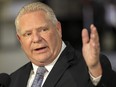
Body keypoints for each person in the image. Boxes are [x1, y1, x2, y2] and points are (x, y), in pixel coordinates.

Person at [9, 2, 116, 87]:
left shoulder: (89, 68)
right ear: (20, 39)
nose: (36, 39)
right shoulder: (11, 80)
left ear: (58, 29)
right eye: (28, 34)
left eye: (43, 30)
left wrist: (95, 70)